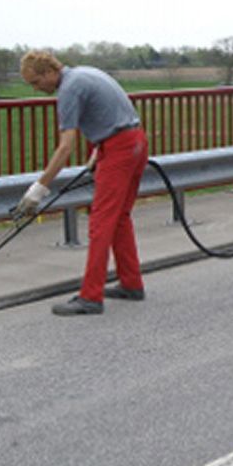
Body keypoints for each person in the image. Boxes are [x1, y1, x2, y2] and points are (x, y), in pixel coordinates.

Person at [16, 51, 148, 315]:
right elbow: (111, 113)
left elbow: (65, 148)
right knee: (120, 217)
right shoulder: (85, 72)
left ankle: (90, 296)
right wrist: (100, 149)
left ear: (48, 73)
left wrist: (39, 188)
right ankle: (131, 283)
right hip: (135, 142)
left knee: (101, 222)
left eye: (35, 82)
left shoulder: (68, 91)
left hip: (120, 150)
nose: (37, 88)